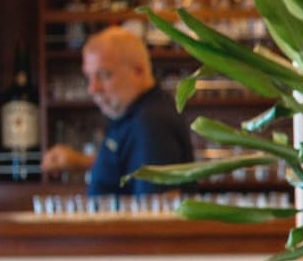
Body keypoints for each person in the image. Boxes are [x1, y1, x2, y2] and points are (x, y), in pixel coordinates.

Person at [40, 26, 195, 195]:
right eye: (89, 77)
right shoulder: (134, 112)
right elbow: (125, 163)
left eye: (104, 75)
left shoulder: (152, 123)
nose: (92, 89)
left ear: (138, 71)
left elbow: (159, 205)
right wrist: (80, 162)